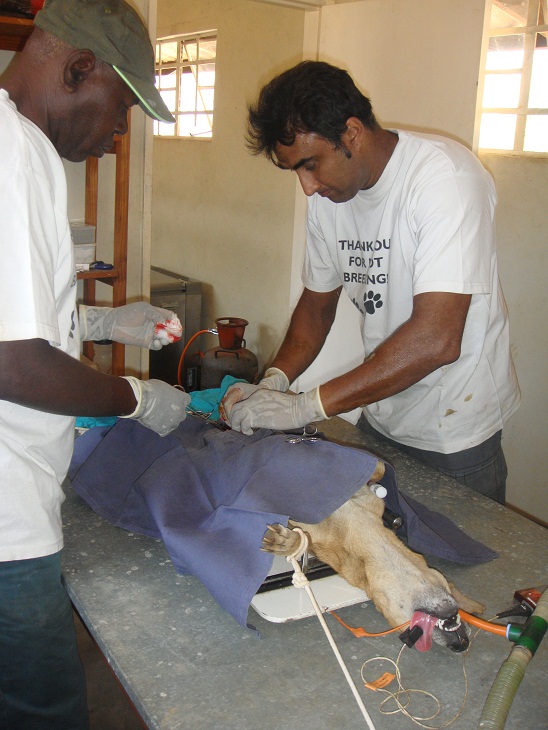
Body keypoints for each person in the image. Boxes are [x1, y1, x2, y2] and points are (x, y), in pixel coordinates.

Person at [0, 1, 191, 727]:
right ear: (78, 68)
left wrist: (104, 321)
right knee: (42, 710)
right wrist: (135, 398)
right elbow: (13, 365)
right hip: (6, 523)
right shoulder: (16, 153)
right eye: (121, 107)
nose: (119, 133)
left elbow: (18, 318)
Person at [223, 60, 520, 506]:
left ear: (352, 133)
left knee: (455, 566)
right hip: (382, 413)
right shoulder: (331, 196)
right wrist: (275, 382)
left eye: (311, 165)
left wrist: (305, 408)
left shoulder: (445, 181)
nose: (307, 187)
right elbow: (316, 304)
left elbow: (438, 340)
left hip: (454, 430)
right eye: (296, 172)